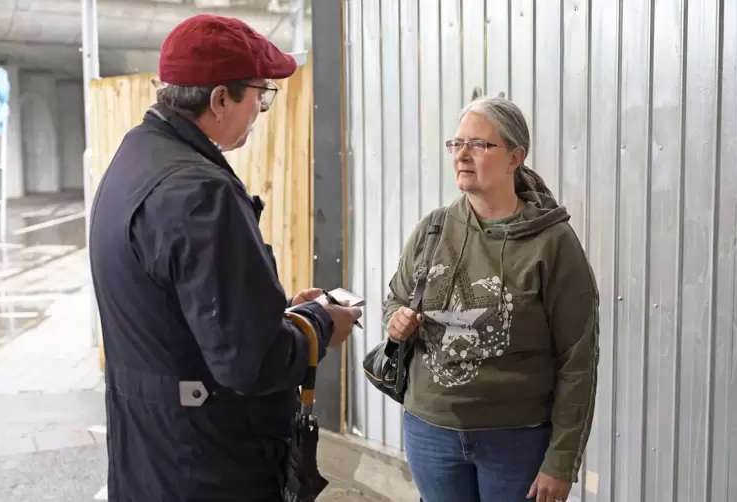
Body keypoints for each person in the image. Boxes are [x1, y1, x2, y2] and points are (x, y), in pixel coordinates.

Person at [88, 14, 362, 501]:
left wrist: (278, 317)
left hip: (149, 455)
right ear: (220, 99)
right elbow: (250, 363)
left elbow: (179, 316)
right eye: (260, 95)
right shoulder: (201, 193)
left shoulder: (134, 158)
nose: (260, 109)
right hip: (209, 465)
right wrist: (321, 326)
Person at [383, 91, 599, 502]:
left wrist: (561, 461)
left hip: (516, 441)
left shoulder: (552, 243)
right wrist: (396, 320)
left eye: (479, 144)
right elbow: (395, 297)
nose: (463, 154)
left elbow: (578, 359)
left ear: (515, 157)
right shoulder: (434, 229)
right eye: (457, 143)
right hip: (430, 432)